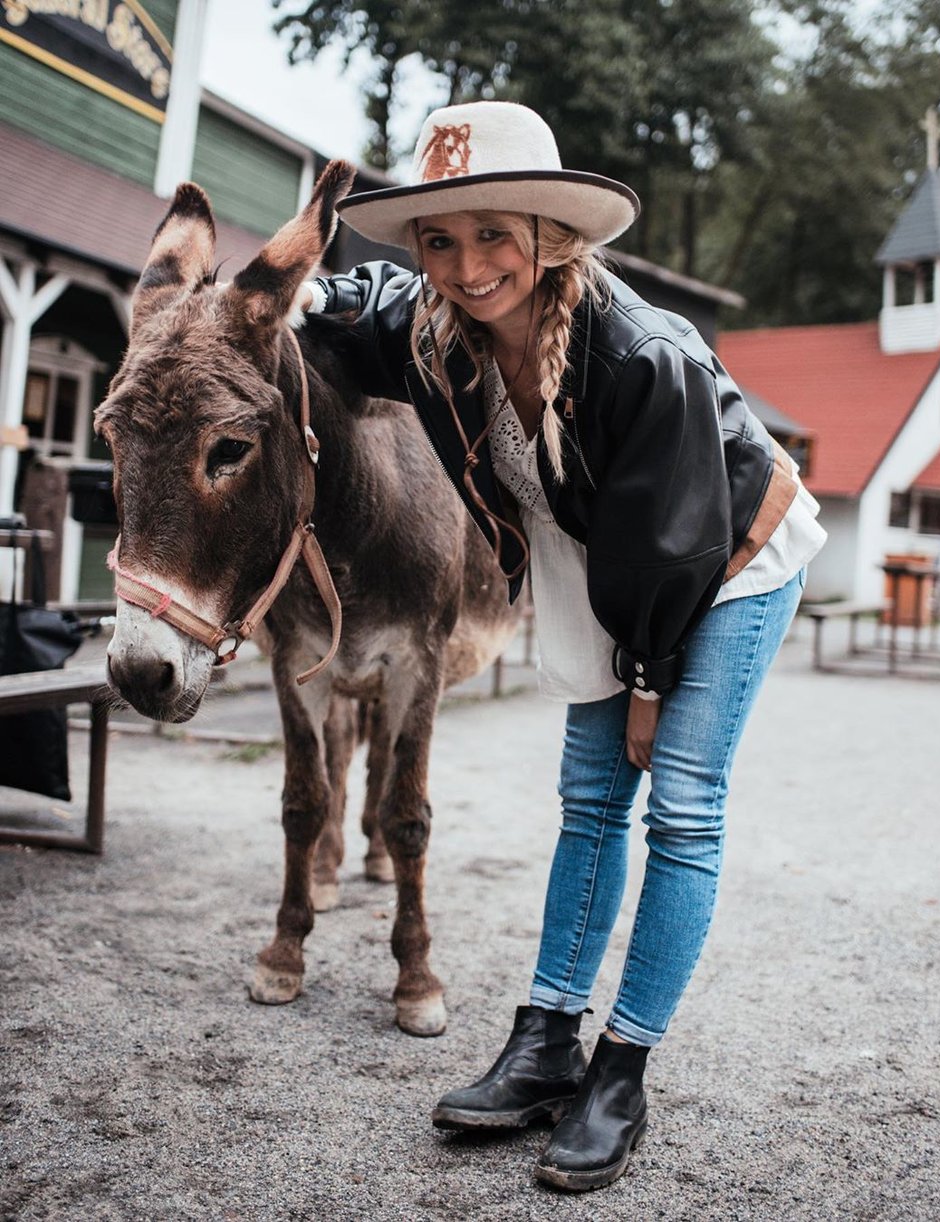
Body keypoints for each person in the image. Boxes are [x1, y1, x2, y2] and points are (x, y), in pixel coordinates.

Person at [301, 100, 826, 1193]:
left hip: (727, 557)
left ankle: (620, 1070)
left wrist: (644, 682)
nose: (467, 264)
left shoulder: (643, 354)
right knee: (589, 799)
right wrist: (286, 295)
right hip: (617, 562)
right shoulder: (437, 326)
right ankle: (545, 1041)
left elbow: (678, 547)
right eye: (439, 240)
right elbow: (361, 305)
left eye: (495, 233)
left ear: (552, 234)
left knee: (680, 799)